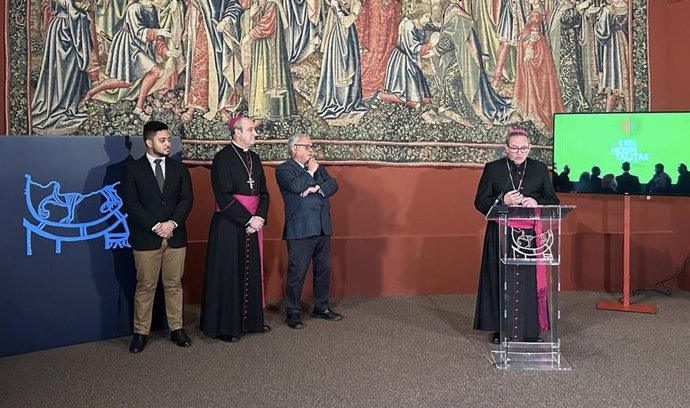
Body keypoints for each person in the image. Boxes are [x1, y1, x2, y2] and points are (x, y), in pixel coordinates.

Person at [473, 128, 559, 344]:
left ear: (529, 148)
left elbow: (553, 200)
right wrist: (503, 201)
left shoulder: (539, 169)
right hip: (500, 234)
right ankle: (500, 329)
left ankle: (530, 330)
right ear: (506, 149)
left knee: (528, 281)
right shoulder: (493, 169)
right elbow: (480, 201)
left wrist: (537, 203)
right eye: (515, 148)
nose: (520, 153)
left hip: (528, 235)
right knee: (500, 279)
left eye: (524, 148)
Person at [120, 121, 194, 353]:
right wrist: (155, 226)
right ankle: (141, 332)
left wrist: (172, 223)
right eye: (162, 140)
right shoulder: (133, 169)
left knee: (174, 285)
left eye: (169, 139)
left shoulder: (179, 168)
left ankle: (177, 329)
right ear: (148, 142)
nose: (168, 144)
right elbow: (131, 203)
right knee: (146, 286)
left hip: (175, 236)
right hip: (146, 238)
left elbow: (187, 200)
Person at [200, 116, 271, 342]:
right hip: (229, 225)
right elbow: (223, 196)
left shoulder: (256, 159)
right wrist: (248, 220)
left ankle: (251, 322)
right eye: (250, 130)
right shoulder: (222, 159)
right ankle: (226, 327)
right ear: (236, 133)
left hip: (253, 223)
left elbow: (264, 193)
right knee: (228, 275)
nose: (255, 134)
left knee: (250, 272)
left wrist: (259, 216)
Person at [275, 134, 341, 329]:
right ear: (294, 148)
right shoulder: (284, 170)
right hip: (301, 229)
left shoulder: (317, 167)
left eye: (311, 146)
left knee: (323, 270)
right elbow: (295, 186)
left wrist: (316, 188)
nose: (311, 150)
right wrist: (311, 174)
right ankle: (293, 312)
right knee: (297, 272)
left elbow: (333, 184)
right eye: (307, 146)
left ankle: (321, 307)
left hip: (322, 227)